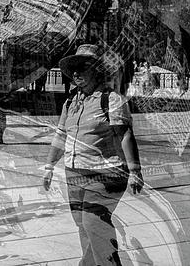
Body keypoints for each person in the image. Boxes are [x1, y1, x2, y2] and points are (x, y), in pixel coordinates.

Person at [41, 44, 144, 266]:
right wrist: (49, 167)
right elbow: (61, 136)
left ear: (97, 70)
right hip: (74, 174)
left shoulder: (111, 99)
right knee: (83, 225)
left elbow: (125, 134)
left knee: (94, 223)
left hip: (106, 173)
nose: (76, 73)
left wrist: (135, 170)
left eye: (83, 67)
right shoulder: (71, 102)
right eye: (74, 69)